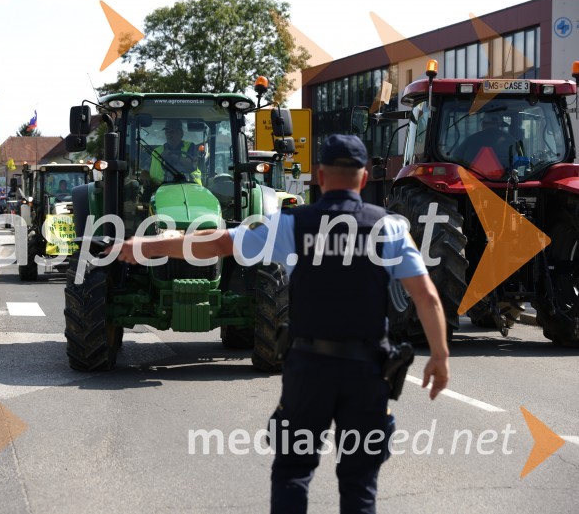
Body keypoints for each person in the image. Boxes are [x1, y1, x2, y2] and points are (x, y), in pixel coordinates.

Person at [107, 134, 450, 513]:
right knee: (360, 481)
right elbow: (427, 296)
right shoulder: (388, 228)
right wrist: (439, 356)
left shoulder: (291, 224)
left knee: (293, 472)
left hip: (310, 370)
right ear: (365, 178)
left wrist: (147, 246)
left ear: (320, 176)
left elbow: (218, 243)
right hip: (367, 372)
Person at [149, 119, 201, 184]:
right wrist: (144, 174)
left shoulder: (190, 146)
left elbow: (191, 165)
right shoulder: (157, 151)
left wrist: (172, 156)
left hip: (189, 186)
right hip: (161, 187)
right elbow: (146, 169)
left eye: (172, 132)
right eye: (167, 132)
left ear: (181, 133)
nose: (169, 135)